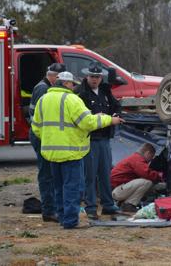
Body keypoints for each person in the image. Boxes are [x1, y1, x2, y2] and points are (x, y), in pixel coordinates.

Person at [31, 71, 123, 229]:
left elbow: (36, 128)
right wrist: (110, 119)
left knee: (58, 187)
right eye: (73, 84)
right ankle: (71, 221)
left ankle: (61, 217)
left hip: (51, 153)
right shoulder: (72, 99)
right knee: (73, 188)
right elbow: (87, 123)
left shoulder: (43, 99)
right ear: (67, 84)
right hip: (70, 153)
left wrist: (51, 139)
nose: (74, 87)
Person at [76, 61, 122, 220]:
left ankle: (108, 205)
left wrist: (115, 115)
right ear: (86, 76)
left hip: (104, 138)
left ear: (101, 78)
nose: (94, 79)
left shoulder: (105, 91)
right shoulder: (80, 93)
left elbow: (116, 106)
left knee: (105, 173)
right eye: (92, 76)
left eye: (97, 76)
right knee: (90, 175)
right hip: (89, 139)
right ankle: (90, 207)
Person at [28, 63, 66, 222]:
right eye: (59, 78)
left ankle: (52, 208)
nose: (62, 81)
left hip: (43, 136)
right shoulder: (43, 89)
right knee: (47, 175)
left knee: (50, 173)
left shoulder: (43, 87)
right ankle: (49, 211)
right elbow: (38, 118)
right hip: (42, 137)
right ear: (51, 76)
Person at [110, 143, 163, 212]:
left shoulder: (134, 158)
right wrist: (159, 176)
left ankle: (123, 203)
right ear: (148, 153)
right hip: (116, 191)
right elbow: (146, 173)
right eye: (151, 157)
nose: (151, 160)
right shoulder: (137, 159)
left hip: (116, 189)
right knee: (147, 182)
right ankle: (128, 204)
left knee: (144, 182)